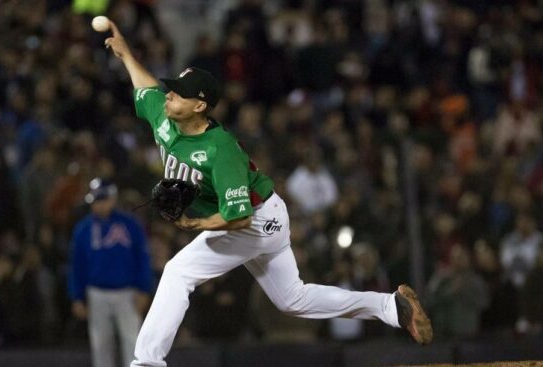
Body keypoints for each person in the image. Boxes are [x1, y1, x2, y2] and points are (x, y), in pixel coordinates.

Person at [102, 20, 433, 367]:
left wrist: (195, 224)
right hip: (266, 214)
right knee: (293, 300)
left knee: (178, 271)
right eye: (171, 90)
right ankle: (390, 307)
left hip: (255, 220)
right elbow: (147, 87)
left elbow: (239, 216)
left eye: (178, 92)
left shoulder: (220, 149)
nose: (168, 95)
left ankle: (147, 363)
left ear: (200, 105)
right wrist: (126, 55)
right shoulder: (165, 116)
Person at [69, 178, 154, 367]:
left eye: (102, 199)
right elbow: (77, 265)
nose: (98, 204)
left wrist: (143, 288)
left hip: (127, 292)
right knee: (100, 347)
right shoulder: (83, 229)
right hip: (96, 293)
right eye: (95, 200)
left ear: (112, 199)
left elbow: (142, 258)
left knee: (133, 344)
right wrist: (77, 296)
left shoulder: (131, 225)